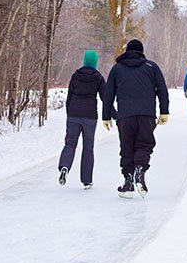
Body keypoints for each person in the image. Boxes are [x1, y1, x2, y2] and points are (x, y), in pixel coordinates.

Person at [102, 39, 169, 198]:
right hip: (147, 115)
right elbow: (162, 90)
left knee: (127, 148)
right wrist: (164, 111)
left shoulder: (117, 69)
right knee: (144, 145)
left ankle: (128, 182)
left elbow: (108, 94)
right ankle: (140, 169)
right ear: (141, 51)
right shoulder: (151, 67)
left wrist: (106, 116)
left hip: (125, 116)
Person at [58, 50, 108, 189]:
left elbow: (70, 95)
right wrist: (114, 115)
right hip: (90, 116)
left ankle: (65, 167)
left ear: (84, 61)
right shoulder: (98, 77)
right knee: (88, 147)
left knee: (70, 144)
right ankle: (86, 180)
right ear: (95, 62)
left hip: (74, 114)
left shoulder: (76, 75)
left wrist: (70, 112)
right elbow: (105, 98)